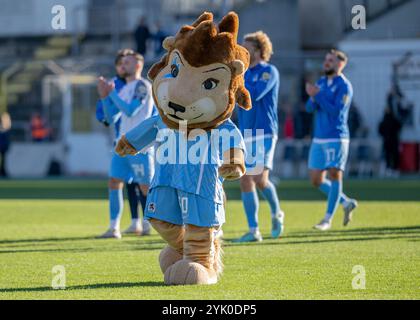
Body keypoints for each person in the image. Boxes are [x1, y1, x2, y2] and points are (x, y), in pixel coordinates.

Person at [97, 52, 156, 239]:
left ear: (138, 65)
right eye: (122, 62)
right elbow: (110, 116)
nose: (123, 65)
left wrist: (112, 93)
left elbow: (131, 110)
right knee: (114, 182)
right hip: (122, 145)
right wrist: (105, 97)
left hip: (140, 146)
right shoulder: (123, 88)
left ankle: (154, 223)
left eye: (127, 62)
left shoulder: (143, 86)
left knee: (145, 187)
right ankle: (114, 228)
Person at [234, 31, 284, 242]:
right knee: (245, 180)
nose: (243, 51)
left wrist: (237, 80)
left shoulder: (268, 71)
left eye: (247, 47)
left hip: (264, 131)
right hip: (246, 132)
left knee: (259, 179)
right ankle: (253, 230)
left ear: (258, 49)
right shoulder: (241, 74)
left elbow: (253, 95)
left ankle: (276, 212)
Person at [305, 49, 358, 231]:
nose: (326, 62)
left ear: (340, 64)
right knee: (315, 179)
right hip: (319, 138)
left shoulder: (344, 86)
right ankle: (346, 202)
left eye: (331, 60)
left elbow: (336, 111)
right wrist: (312, 96)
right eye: (326, 59)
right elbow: (310, 108)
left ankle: (327, 219)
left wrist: (317, 95)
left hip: (336, 137)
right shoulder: (321, 82)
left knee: (335, 174)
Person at [378, 106, 402, 176]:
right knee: (394, 156)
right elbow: (399, 126)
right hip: (394, 141)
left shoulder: (384, 120)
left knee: (388, 156)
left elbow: (380, 131)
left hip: (387, 141)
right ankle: (394, 170)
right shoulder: (394, 119)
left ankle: (390, 170)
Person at [0, 112, 11, 177]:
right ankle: (2, 171)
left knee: (4, 160)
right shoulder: (3, 128)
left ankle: (3, 171)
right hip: (2, 146)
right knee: (3, 160)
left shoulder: (5, 128)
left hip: (3, 147)